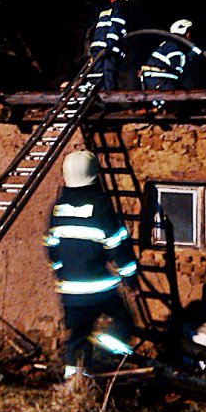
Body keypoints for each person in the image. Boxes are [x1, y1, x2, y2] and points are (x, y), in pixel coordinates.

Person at [43, 150, 139, 381]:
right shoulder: (101, 206)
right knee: (123, 321)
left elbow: (52, 247)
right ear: (94, 174)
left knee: (77, 337)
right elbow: (116, 244)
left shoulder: (57, 208)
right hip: (98, 290)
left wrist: (61, 272)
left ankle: (75, 384)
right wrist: (130, 278)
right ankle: (106, 355)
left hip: (70, 292)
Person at [138, 18, 203, 111]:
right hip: (159, 81)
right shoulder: (174, 45)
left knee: (184, 101)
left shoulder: (170, 44)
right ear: (185, 32)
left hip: (158, 81)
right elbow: (179, 66)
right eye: (189, 32)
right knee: (180, 104)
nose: (190, 35)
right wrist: (195, 52)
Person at [87, 0, 132, 91]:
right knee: (109, 77)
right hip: (108, 51)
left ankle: (99, 97)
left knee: (97, 76)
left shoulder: (104, 11)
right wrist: (110, 46)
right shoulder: (119, 9)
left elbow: (94, 32)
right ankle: (108, 98)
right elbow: (115, 28)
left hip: (97, 49)